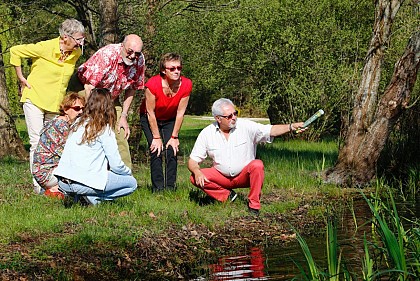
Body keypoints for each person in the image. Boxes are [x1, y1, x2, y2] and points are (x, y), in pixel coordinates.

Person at [187, 98, 305, 215]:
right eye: (229, 116)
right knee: (194, 177)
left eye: (235, 113)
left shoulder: (246, 126)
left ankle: (254, 206)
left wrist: (291, 127)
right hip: (221, 177)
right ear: (218, 118)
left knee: (257, 165)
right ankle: (227, 196)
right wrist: (197, 171)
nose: (234, 117)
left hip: (244, 176)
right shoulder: (207, 133)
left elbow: (270, 130)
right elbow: (193, 160)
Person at [10, 18, 85, 194]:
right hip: (35, 98)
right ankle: (39, 186)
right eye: (78, 39)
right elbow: (15, 51)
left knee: (56, 143)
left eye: (82, 39)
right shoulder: (45, 47)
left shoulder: (76, 54)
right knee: (37, 141)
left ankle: (57, 183)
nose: (81, 43)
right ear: (65, 37)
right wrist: (21, 78)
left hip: (55, 103)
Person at [54, 88, 137, 205]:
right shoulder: (104, 129)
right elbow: (116, 165)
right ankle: (93, 199)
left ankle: (82, 198)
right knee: (131, 183)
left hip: (63, 182)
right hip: (81, 182)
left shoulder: (77, 123)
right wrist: (127, 172)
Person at [76, 34, 146, 169]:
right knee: (88, 129)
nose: (132, 56)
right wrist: (92, 114)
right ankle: (85, 171)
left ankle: (125, 176)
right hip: (87, 90)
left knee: (121, 131)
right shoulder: (107, 55)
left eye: (136, 53)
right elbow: (89, 87)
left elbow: (132, 88)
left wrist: (124, 116)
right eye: (129, 51)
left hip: (110, 96)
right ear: (123, 46)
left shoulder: (139, 60)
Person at [139, 53, 193, 192]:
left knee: (171, 150)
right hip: (150, 118)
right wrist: (156, 138)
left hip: (170, 118)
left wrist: (174, 137)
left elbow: (180, 112)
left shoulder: (186, 84)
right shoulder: (153, 84)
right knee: (156, 150)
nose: (177, 71)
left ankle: (170, 188)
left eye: (179, 68)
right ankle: (158, 189)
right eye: (172, 68)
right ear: (164, 70)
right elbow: (150, 113)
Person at [32, 93, 85, 199]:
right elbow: (69, 155)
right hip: (46, 172)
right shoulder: (61, 126)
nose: (81, 112)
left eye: (83, 109)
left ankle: (56, 189)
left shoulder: (58, 121)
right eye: (77, 108)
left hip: (43, 170)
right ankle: (57, 190)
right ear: (65, 109)